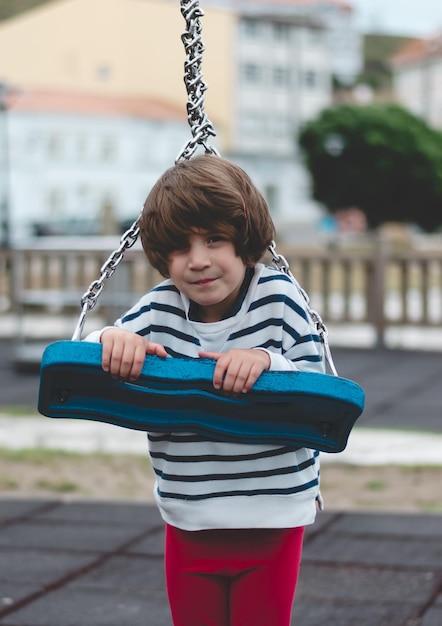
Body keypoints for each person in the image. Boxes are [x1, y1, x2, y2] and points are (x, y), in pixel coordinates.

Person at [87, 154, 325, 625]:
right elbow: (89, 353)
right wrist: (109, 340)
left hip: (271, 512)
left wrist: (267, 362)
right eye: (180, 247)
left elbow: (320, 387)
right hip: (190, 512)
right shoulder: (161, 308)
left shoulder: (278, 299)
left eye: (214, 238)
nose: (198, 260)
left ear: (244, 239)